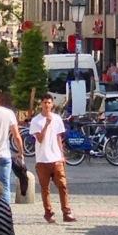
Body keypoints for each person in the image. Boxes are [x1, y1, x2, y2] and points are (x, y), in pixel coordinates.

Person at [26, 94, 75, 224]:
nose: (47, 105)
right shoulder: (36, 121)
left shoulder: (58, 119)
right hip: (43, 159)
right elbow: (40, 139)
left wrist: (61, 154)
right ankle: (48, 213)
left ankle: (67, 212)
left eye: (49, 103)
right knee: (45, 188)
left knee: (63, 185)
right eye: (45, 103)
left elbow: (59, 137)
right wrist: (46, 125)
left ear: (52, 104)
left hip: (56, 158)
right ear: (41, 104)